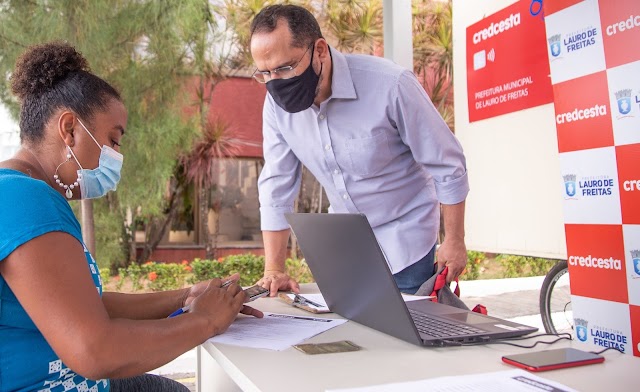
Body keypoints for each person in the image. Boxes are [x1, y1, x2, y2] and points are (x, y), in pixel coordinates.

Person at [0, 42, 262, 392]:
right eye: (113, 139)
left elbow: (86, 306)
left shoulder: (28, 192)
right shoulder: (25, 200)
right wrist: (205, 321)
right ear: (70, 130)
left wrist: (184, 297)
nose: (117, 155)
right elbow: (95, 351)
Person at [249, 5, 470, 296]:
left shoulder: (391, 85)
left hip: (406, 243)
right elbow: (277, 184)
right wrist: (274, 269)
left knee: (410, 338)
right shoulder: (276, 110)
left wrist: (454, 239)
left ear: (319, 50)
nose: (277, 82)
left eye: (285, 68)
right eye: (265, 73)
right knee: (354, 338)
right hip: (348, 250)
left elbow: (447, 163)